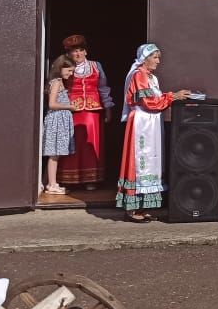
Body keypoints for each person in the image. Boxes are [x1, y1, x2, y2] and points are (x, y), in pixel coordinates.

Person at [116, 44, 192, 222]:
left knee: (151, 161)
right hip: (142, 123)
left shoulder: (151, 77)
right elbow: (149, 101)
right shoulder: (138, 75)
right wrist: (173, 96)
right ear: (145, 58)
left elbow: (155, 99)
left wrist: (170, 97)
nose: (158, 61)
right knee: (140, 161)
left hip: (150, 123)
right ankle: (132, 209)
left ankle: (142, 207)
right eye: (155, 57)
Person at [60, 34, 115, 191]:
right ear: (68, 54)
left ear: (86, 52)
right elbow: (59, 90)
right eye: (74, 51)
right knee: (72, 144)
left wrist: (108, 109)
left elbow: (103, 88)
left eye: (80, 50)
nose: (78, 54)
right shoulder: (65, 67)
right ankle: (68, 179)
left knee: (91, 144)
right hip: (72, 111)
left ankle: (91, 179)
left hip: (93, 111)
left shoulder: (96, 66)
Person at [41, 55, 77, 195]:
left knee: (56, 153)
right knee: (54, 154)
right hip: (56, 120)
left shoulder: (59, 81)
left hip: (60, 120)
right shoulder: (56, 82)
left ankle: (47, 182)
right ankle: (52, 184)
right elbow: (52, 104)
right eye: (69, 70)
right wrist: (69, 107)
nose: (70, 74)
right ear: (60, 69)